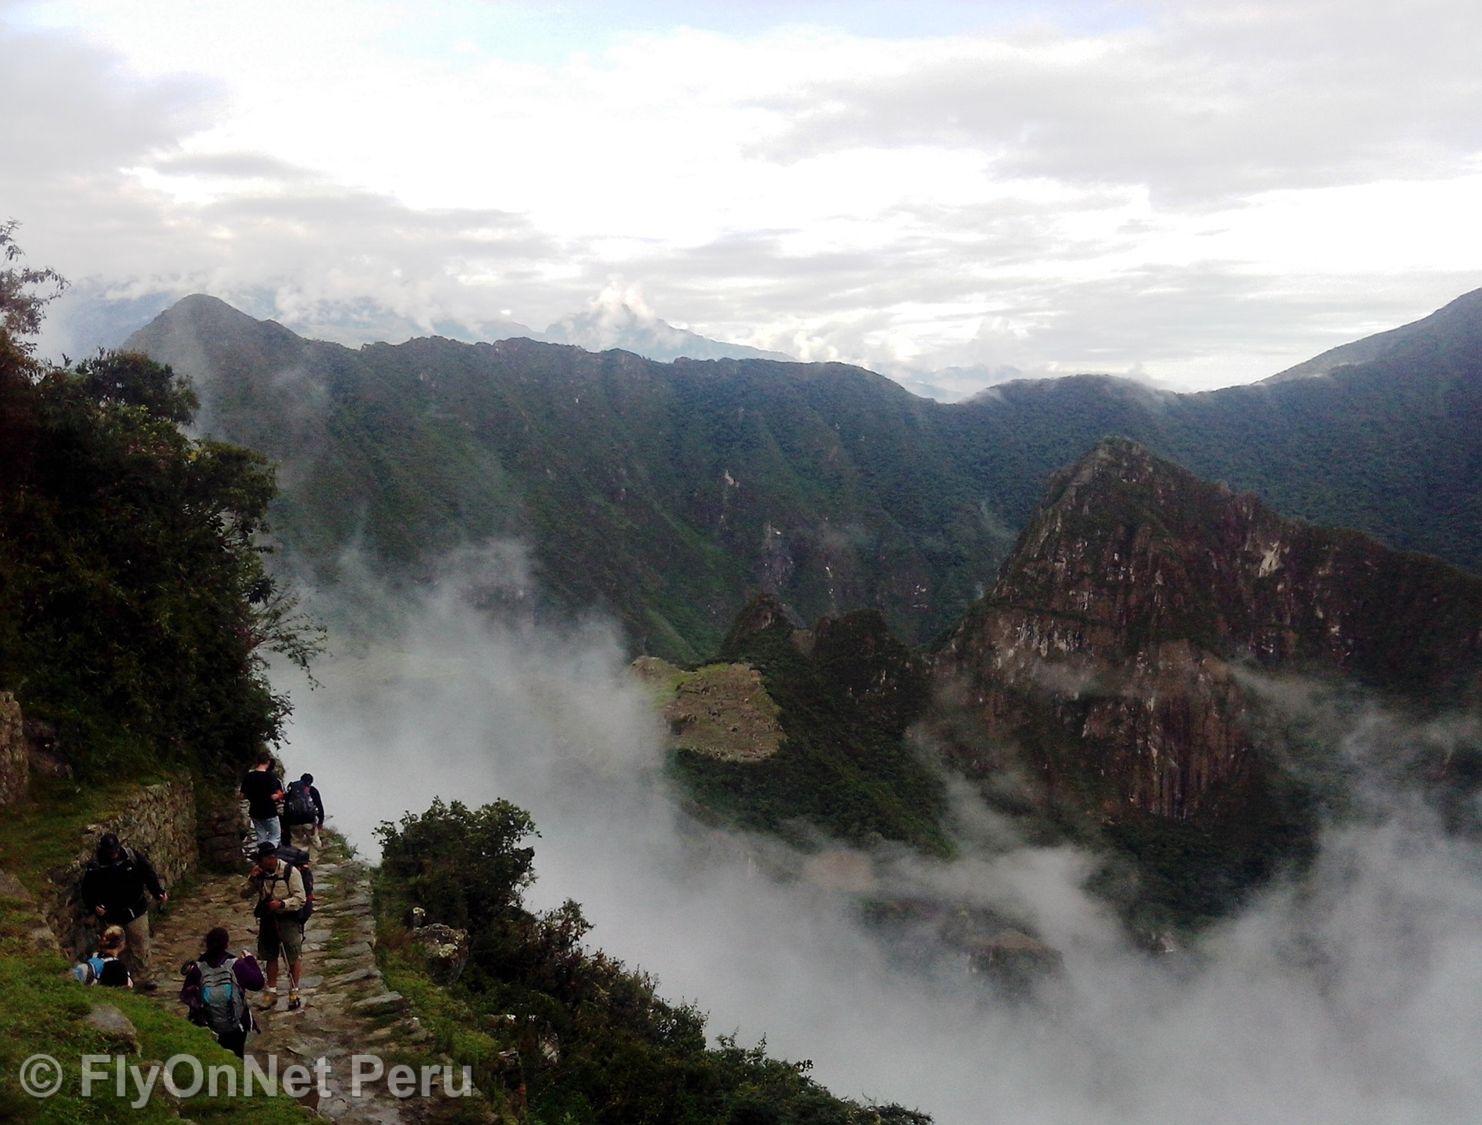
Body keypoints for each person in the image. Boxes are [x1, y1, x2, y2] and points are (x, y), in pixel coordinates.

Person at [79, 832, 167, 990]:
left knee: (140, 945)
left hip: (136, 910)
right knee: (117, 949)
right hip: (112, 915)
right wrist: (95, 906)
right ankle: (124, 980)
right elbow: (88, 890)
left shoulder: (131, 857)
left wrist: (158, 892)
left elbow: (148, 874)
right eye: (110, 851)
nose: (113, 854)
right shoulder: (96, 866)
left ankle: (144, 978)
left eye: (115, 850)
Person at [241, 841, 307, 1011]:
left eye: (261, 860)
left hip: (288, 918)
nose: (260, 863)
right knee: (270, 954)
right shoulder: (259, 873)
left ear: (271, 858)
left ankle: (294, 991)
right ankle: (271, 992)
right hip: (268, 918)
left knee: (293, 954)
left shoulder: (290, 872)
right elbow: (244, 893)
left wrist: (282, 904)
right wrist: (252, 879)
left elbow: (301, 898)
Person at [180, 926, 265, 1057]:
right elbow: (258, 983)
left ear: (207, 944)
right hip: (235, 1027)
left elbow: (186, 995)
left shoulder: (197, 969)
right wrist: (250, 960)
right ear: (226, 944)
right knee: (236, 1057)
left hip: (208, 1026)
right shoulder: (236, 965)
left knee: (211, 1057)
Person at [240, 749, 284, 848]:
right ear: (268, 762)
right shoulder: (270, 776)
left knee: (261, 838)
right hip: (269, 811)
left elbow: (242, 796)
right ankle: (271, 854)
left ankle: (262, 855)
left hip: (255, 811)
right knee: (275, 837)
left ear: (257, 761)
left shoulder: (249, 776)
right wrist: (280, 795)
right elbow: (273, 796)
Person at [282, 772, 325, 852]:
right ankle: (315, 857)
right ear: (311, 782)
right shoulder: (313, 790)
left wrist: (285, 825)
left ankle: (298, 857)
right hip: (309, 822)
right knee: (314, 841)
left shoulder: (293, 791)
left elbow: (286, 808)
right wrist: (320, 822)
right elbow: (319, 806)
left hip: (294, 822)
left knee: (297, 842)